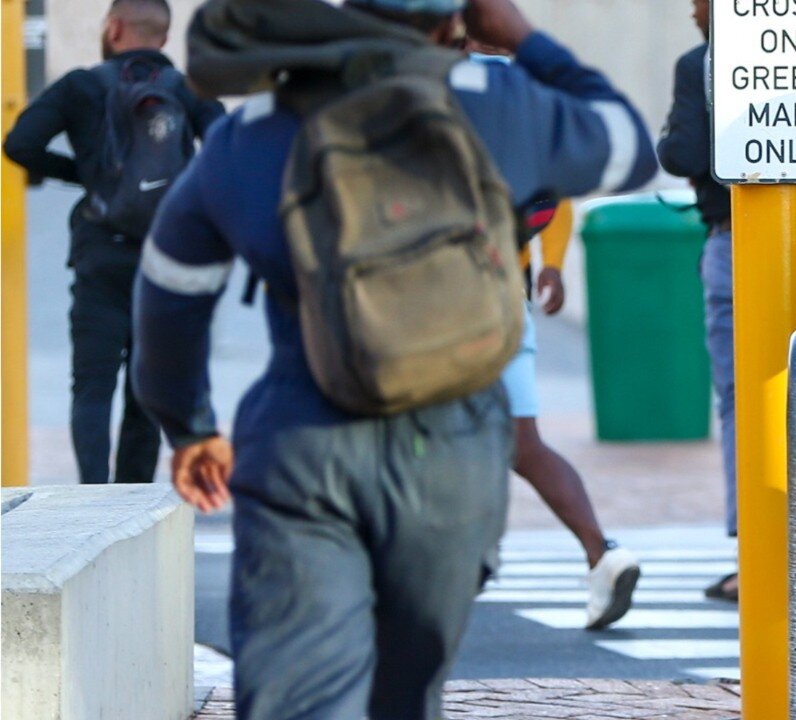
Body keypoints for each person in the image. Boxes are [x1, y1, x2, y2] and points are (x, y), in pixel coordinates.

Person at [131, 0, 656, 716]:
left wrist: (187, 423)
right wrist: (523, 39)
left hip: (301, 442)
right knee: (408, 694)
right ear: (456, 22)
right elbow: (630, 146)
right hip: (454, 455)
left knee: (301, 695)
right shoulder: (499, 101)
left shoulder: (257, 128)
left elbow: (169, 290)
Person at [2, 0, 224, 485]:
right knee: (147, 388)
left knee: (92, 385)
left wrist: (81, 176)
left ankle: (93, 498)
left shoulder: (80, 86)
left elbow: (19, 144)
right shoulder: (186, 90)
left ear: (114, 28)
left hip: (100, 252)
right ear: (164, 39)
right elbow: (222, 149)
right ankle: (133, 500)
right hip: (163, 257)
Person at [504, 198, 641, 630]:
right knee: (523, 443)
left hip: (429, 308)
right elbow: (554, 194)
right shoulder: (522, 132)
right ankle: (602, 553)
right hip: (505, 299)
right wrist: (552, 265)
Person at [656, 0, 740, 602]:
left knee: (741, 395)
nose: (692, 12)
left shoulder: (702, 63)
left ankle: (757, 551)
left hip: (733, 240)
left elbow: (681, 154)